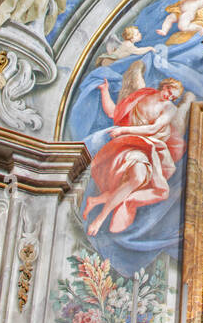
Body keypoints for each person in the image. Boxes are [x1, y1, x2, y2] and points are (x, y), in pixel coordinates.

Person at [82, 73, 194, 236]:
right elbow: (114, 113)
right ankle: (100, 218)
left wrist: (124, 130)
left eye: (173, 97)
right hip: (132, 145)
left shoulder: (169, 108)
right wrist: (105, 91)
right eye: (170, 91)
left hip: (152, 148)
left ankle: (99, 201)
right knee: (138, 179)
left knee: (161, 191)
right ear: (165, 86)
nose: (169, 96)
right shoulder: (143, 95)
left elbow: (152, 129)